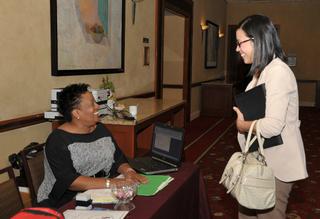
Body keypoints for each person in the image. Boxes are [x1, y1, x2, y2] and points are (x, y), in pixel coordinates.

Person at [232, 15, 308, 218]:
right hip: (261, 161)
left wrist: (243, 125)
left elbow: (273, 126)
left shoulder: (278, 72)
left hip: (277, 166)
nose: (237, 49)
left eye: (240, 43)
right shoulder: (261, 72)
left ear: (257, 40)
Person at [37, 83, 147, 208]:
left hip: (99, 193)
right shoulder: (57, 141)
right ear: (76, 113)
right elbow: (71, 182)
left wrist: (129, 171)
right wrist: (112, 183)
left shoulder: (101, 129)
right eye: (91, 104)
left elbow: (117, 158)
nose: (97, 106)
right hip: (64, 201)